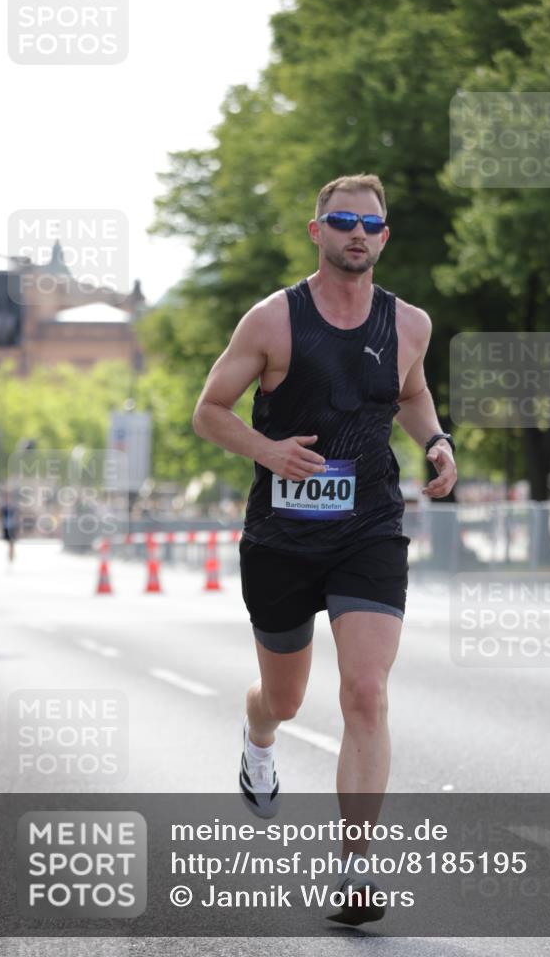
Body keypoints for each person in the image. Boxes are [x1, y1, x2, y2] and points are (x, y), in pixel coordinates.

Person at [192, 173, 457, 924]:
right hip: (279, 536)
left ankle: (354, 872)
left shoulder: (409, 323)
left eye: (370, 224)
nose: (356, 234)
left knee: (365, 692)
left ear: (383, 237)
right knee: (285, 695)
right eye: (341, 220)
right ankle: (259, 734)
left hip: (368, 525)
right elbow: (209, 411)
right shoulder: (273, 320)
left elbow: (408, 391)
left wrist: (434, 440)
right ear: (317, 231)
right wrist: (268, 449)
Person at [0, 489, 19, 563]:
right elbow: (0, 516)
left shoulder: (13, 506)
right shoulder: (3, 507)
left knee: (12, 541)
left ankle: (11, 554)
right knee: (9, 541)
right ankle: (10, 554)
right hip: (6, 526)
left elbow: (16, 516)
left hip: (12, 526)